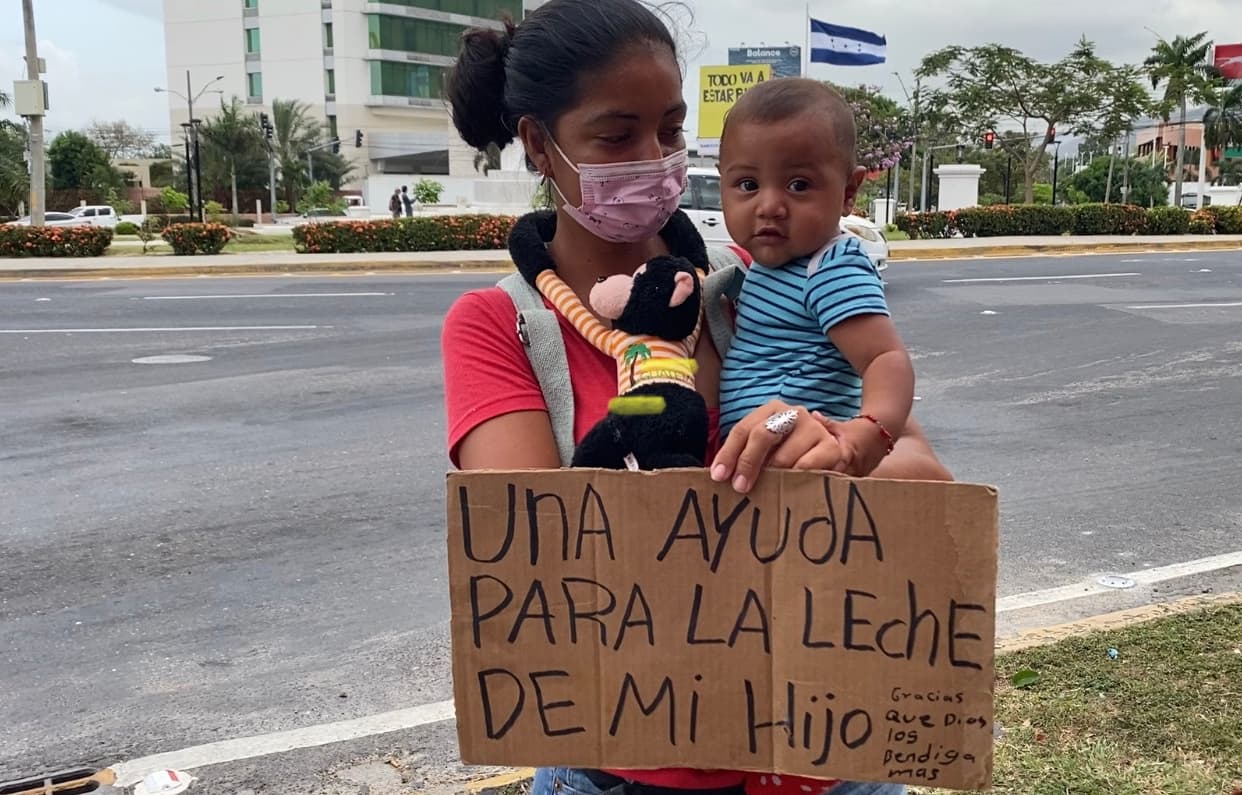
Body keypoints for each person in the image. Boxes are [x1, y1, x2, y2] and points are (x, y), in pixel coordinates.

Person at [440, 2, 950, 795]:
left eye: (671, 131)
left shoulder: (759, 278)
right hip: (624, 769)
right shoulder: (498, 325)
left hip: (821, 756)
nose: (654, 158)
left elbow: (926, 480)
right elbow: (534, 554)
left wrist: (833, 449)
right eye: (618, 135)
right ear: (540, 142)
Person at [716, 78, 913, 480]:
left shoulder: (829, 266)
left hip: (807, 464)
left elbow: (884, 357)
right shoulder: (765, 266)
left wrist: (864, 437)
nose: (769, 206)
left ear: (848, 192)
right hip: (766, 463)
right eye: (748, 185)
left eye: (798, 185)